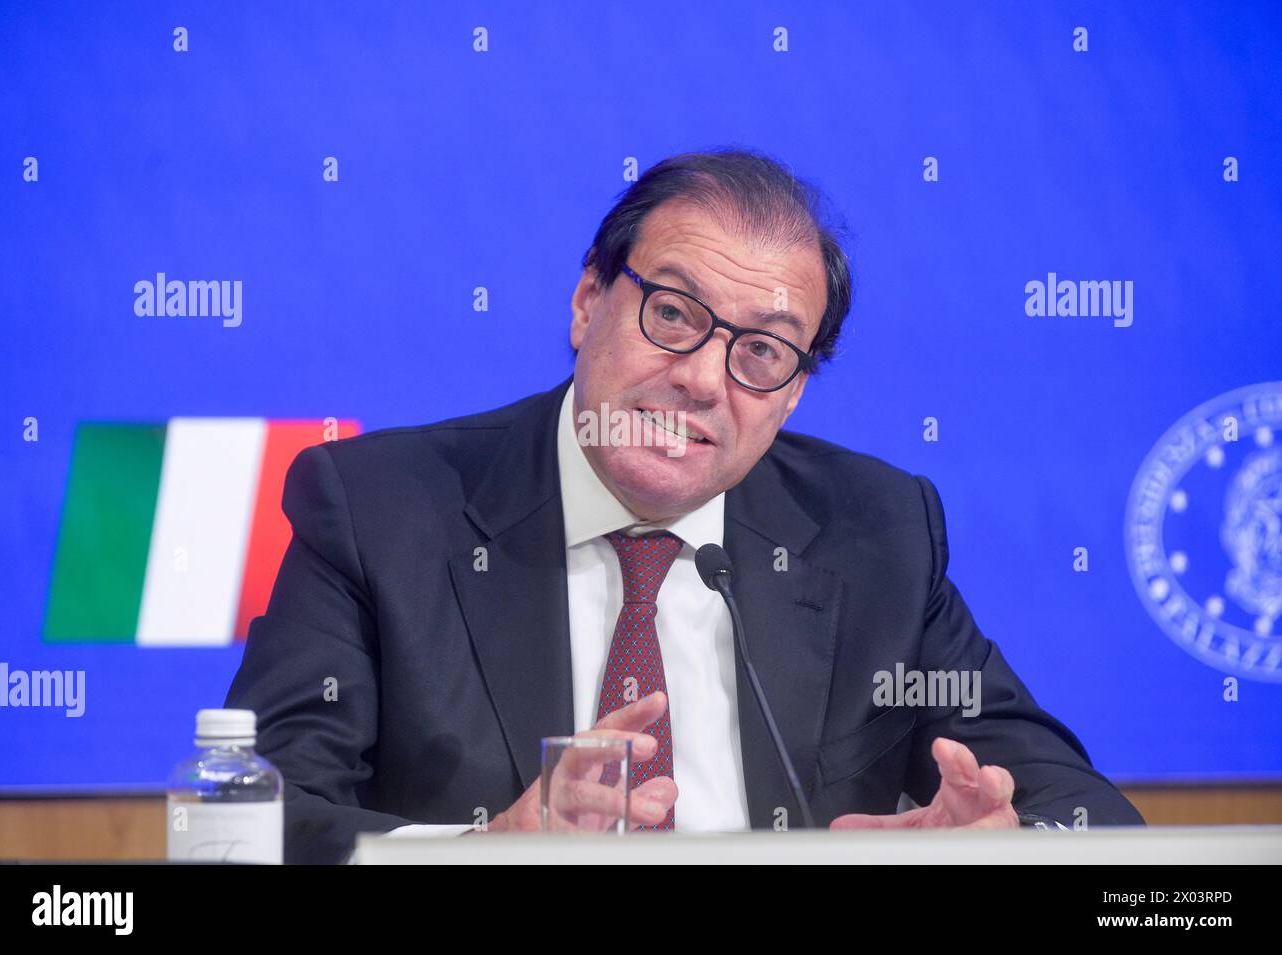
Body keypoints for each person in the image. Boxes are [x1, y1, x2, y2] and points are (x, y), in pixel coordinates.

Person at [225, 148, 1144, 864]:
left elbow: (1084, 811)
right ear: (589, 301)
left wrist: (1002, 846)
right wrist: (484, 851)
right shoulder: (382, 510)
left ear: (791, 396)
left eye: (763, 352)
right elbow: (252, 822)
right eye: (672, 313)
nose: (704, 378)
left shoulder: (876, 536)